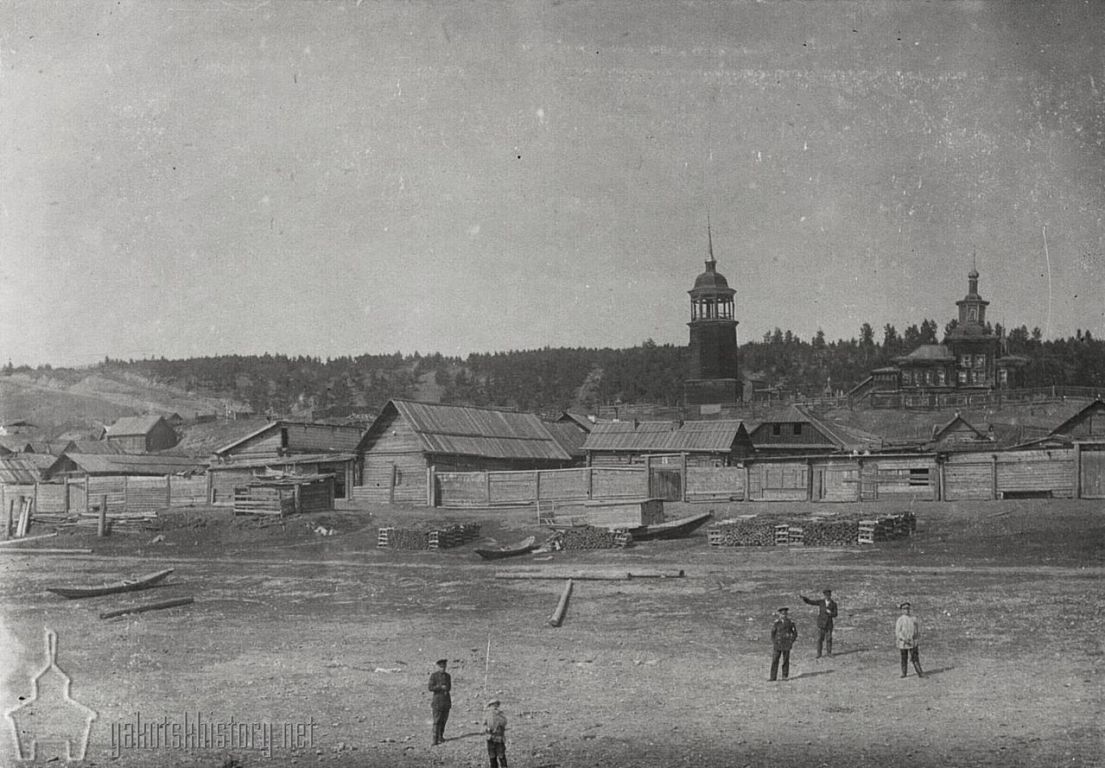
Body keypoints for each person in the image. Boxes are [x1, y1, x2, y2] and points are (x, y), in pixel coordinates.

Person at [800, 588, 839, 658]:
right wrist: (805, 599)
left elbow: (836, 614)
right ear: (824, 595)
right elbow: (811, 602)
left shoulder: (834, 604)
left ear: (830, 595)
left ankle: (829, 653)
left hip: (829, 624)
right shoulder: (821, 602)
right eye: (826, 595)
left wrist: (830, 613)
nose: (827, 596)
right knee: (820, 639)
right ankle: (819, 654)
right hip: (821, 624)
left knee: (829, 639)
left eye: (829, 595)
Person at [895, 602, 924, 678]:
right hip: (903, 643)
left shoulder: (913, 619)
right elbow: (898, 632)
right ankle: (904, 673)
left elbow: (917, 630)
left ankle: (920, 673)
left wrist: (916, 639)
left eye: (908, 608)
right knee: (904, 658)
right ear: (901, 610)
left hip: (912, 642)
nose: (907, 610)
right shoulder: (900, 620)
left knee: (915, 658)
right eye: (905, 609)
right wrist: (904, 639)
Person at [769, 607, 798, 681]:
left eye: (785, 614)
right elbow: (773, 633)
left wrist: (791, 641)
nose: (784, 616)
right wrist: (774, 641)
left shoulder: (790, 623)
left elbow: (795, 633)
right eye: (782, 614)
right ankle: (773, 677)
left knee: (785, 660)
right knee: (775, 660)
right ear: (779, 615)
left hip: (786, 644)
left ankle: (784, 676)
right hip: (778, 644)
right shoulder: (776, 623)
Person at [428, 658, 452, 744]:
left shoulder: (448, 676)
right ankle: (435, 739)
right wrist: (440, 687)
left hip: (446, 702)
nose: (443, 668)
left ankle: (441, 736)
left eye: (444, 667)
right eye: (441, 667)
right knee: (436, 721)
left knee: (444, 720)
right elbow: (430, 688)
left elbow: (449, 687)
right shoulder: (434, 676)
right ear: (438, 667)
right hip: (437, 702)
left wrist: (446, 688)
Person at [483, 698, 508, 768]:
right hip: (490, 738)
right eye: (492, 705)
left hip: (499, 738)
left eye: (496, 705)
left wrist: (498, 719)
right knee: (492, 755)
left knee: (501, 754)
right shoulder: (487, 715)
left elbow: (504, 722)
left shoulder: (500, 714)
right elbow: (484, 724)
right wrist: (487, 729)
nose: (494, 707)